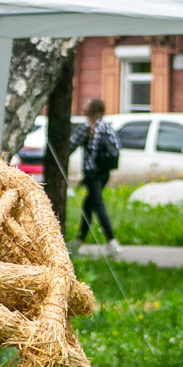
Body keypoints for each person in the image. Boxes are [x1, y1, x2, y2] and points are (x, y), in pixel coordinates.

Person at [71, 98, 121, 256]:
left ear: (92, 111)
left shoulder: (87, 127)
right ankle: (78, 242)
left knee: (97, 205)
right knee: (88, 206)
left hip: (92, 173)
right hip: (104, 173)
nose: (83, 107)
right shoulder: (107, 127)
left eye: (87, 105)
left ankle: (112, 243)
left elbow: (70, 145)